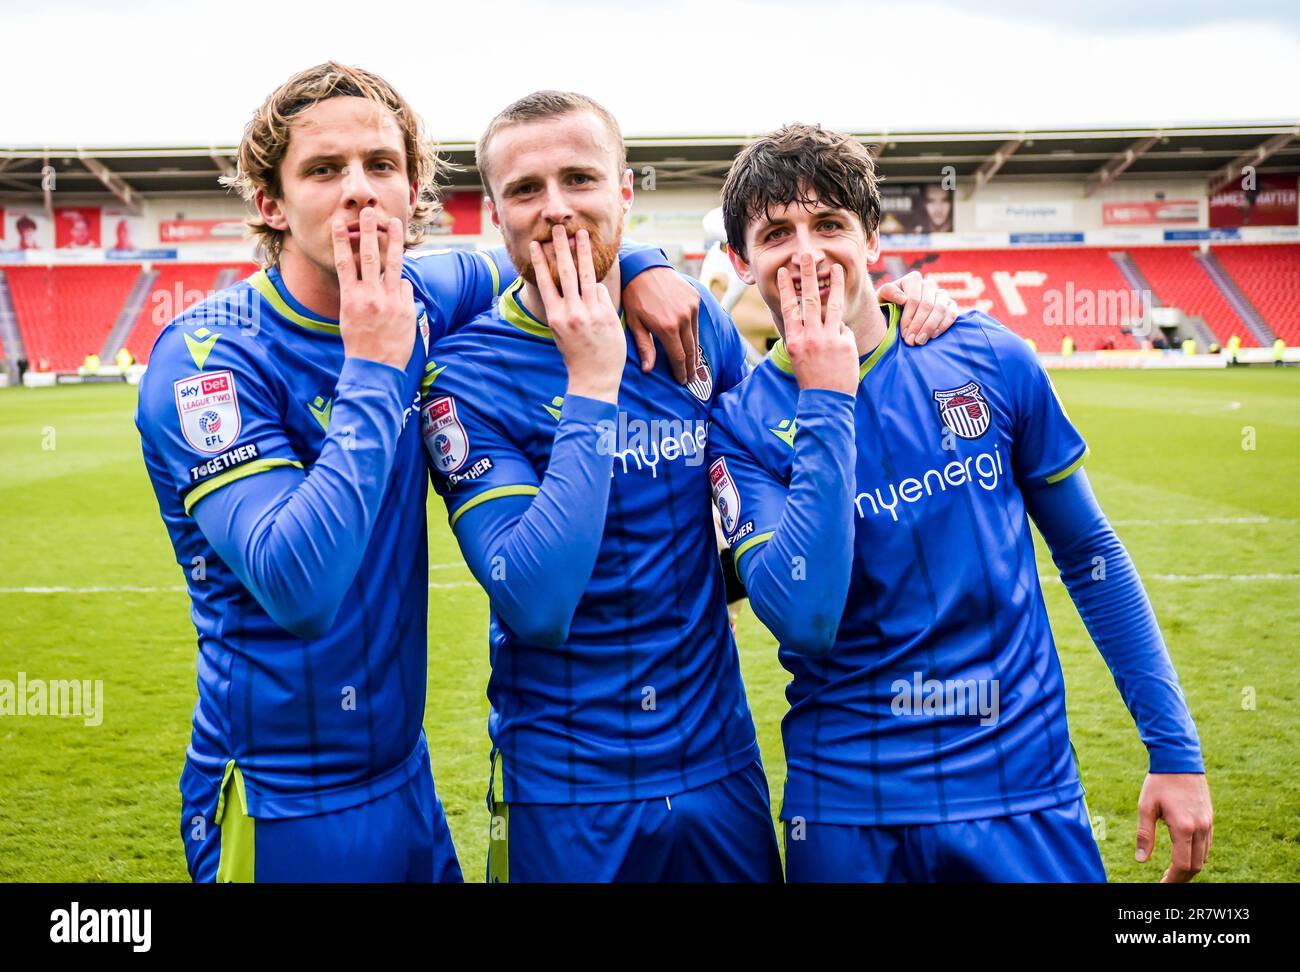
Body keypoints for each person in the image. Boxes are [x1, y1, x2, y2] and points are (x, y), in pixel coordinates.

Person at [136, 63, 699, 883]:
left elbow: (539, 242)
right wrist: (371, 366)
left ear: (412, 193)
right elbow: (299, 585)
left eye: (381, 166)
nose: (360, 191)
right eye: (324, 171)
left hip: (408, 782)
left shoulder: (429, 290)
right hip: (283, 801)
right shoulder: (208, 356)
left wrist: (644, 259)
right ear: (270, 202)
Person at [421, 92, 958, 882]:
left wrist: (905, 307)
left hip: (718, 765)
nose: (558, 209)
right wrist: (594, 381)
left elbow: (773, 468)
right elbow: (534, 601)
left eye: (580, 180)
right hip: (570, 785)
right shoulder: (465, 374)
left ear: (626, 192)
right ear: (492, 212)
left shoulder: (693, 324)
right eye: (526, 190)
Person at [707, 123, 1212, 883]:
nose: (806, 253)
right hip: (846, 809)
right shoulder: (738, 428)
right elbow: (806, 617)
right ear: (744, 263)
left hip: (1020, 791)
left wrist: (1174, 749)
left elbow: (1090, 554)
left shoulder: (987, 355)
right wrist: (826, 400)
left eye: (830, 224)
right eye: (777, 233)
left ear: (872, 238)